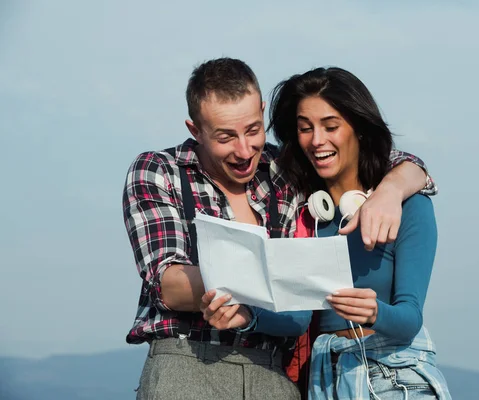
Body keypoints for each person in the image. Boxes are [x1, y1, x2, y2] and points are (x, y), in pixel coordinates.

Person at [122, 58, 437, 400]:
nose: (244, 151)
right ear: (195, 130)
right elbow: (168, 284)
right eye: (226, 137)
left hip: (278, 373)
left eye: (253, 130)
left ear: (260, 113)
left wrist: (391, 190)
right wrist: (265, 290)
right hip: (190, 364)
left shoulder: (281, 170)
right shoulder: (160, 170)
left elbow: (394, 162)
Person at [269, 66, 452, 399]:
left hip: (393, 375)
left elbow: (410, 318)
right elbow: (296, 319)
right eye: (305, 128)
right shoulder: (302, 215)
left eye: (331, 126)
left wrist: (375, 312)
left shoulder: (410, 205)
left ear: (359, 129)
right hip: (325, 377)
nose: (317, 140)